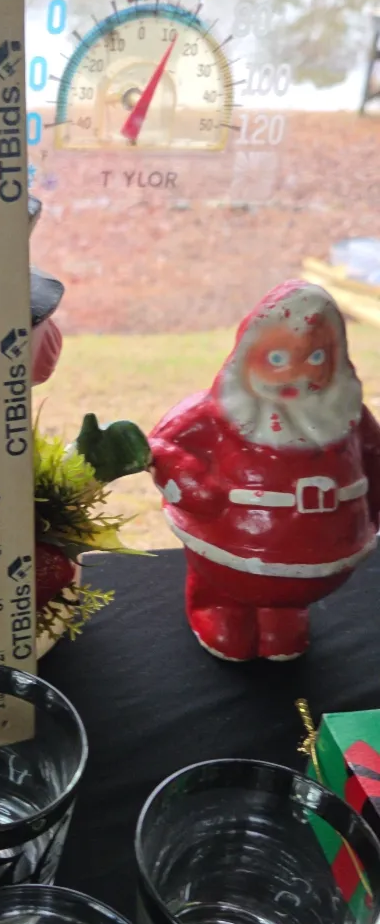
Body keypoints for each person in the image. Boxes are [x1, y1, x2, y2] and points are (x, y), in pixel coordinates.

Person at [149, 279, 380, 661]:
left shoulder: (348, 418)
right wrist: (190, 485)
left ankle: (283, 616)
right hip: (228, 552)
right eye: (276, 359)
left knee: (283, 630)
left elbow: (374, 455)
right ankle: (219, 610)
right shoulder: (212, 414)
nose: (297, 374)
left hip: (326, 555)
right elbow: (160, 447)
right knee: (228, 618)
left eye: (316, 357)